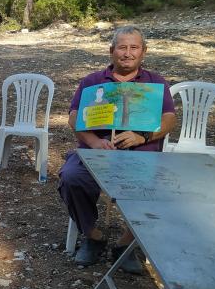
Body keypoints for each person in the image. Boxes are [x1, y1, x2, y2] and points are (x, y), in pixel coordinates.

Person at [58, 25, 176, 272]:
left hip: (143, 153)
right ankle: (93, 236)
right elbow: (74, 117)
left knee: (160, 186)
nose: (127, 53)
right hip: (96, 152)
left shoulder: (156, 83)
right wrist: (93, 142)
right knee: (71, 177)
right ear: (111, 51)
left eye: (134, 47)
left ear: (143, 52)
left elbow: (169, 120)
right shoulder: (92, 81)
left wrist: (142, 136)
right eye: (122, 47)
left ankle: (126, 244)